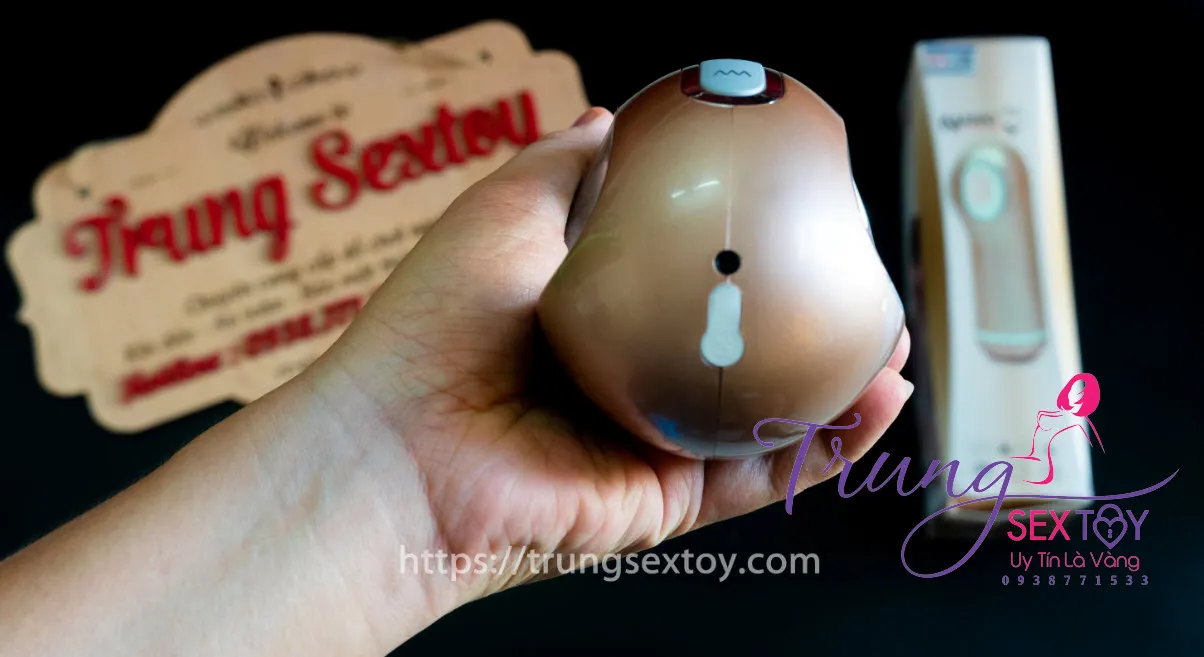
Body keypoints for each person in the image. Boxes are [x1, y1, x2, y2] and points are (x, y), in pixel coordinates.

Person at [0, 108, 913, 657]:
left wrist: (391, 478)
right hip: (808, 354)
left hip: (633, 356)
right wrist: (405, 486)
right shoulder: (811, 141)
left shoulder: (646, 155)